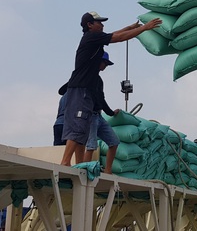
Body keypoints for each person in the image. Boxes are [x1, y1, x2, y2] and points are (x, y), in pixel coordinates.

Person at [60, 11, 161, 166]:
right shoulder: (90, 37)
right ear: (90, 25)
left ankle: (78, 165)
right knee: (77, 127)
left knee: (82, 131)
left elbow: (113, 34)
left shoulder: (95, 39)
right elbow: (117, 38)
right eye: (99, 22)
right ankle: (65, 163)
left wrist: (130, 27)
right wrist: (144, 28)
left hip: (83, 90)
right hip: (79, 89)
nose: (102, 25)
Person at [82, 52, 121, 173]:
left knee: (114, 142)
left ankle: (108, 170)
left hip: (98, 115)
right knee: (91, 145)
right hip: (89, 115)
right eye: (105, 63)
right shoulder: (87, 76)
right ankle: (85, 170)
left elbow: (101, 99)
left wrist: (110, 113)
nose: (105, 66)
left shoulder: (99, 80)